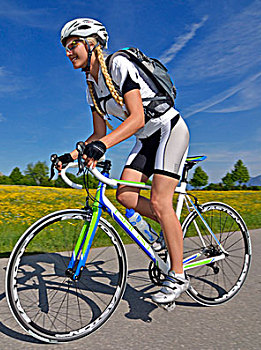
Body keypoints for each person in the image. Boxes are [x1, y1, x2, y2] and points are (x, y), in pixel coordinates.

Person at [55, 18, 190, 304]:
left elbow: (137, 117)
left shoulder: (118, 64)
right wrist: (72, 155)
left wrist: (102, 147)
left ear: (91, 44)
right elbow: (98, 133)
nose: (68, 52)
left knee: (159, 202)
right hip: (145, 139)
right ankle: (168, 230)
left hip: (168, 129)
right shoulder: (91, 85)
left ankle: (178, 275)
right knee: (126, 196)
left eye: (73, 45)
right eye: (66, 47)